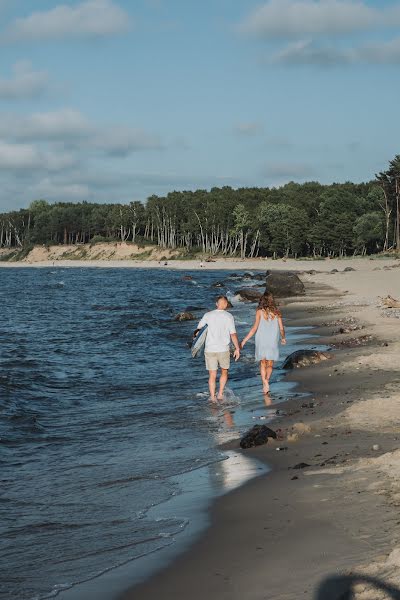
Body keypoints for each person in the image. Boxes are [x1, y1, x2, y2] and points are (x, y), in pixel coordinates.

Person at [196, 296, 240, 402]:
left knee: (212, 374)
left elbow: (198, 331)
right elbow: (233, 334)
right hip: (223, 349)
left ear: (216, 304)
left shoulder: (207, 315)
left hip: (210, 349)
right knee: (224, 372)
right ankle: (220, 394)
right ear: (225, 304)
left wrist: (195, 345)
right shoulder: (229, 316)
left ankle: (212, 396)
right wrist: (237, 348)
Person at [240, 292, 286, 394]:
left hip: (261, 340)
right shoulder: (277, 312)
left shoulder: (259, 312)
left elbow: (254, 328)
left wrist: (244, 340)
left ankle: (264, 382)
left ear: (262, 300)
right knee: (270, 363)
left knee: (262, 363)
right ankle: (267, 381)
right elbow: (281, 328)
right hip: (273, 340)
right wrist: (283, 338)